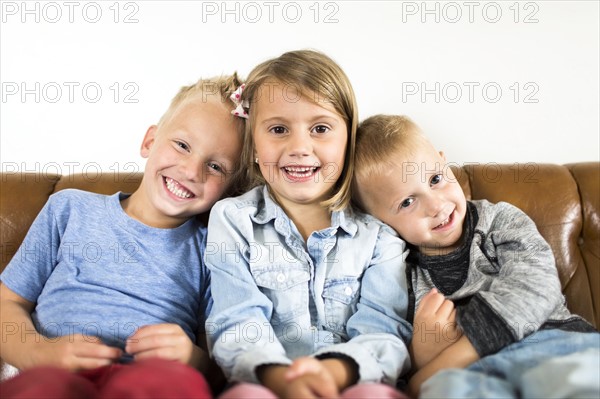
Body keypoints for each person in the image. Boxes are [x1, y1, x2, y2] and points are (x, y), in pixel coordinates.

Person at [0, 73, 247, 398]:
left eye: (215, 167)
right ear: (149, 141)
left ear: (230, 188)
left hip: (150, 379)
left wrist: (193, 359)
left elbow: (222, 363)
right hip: (54, 370)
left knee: (177, 385)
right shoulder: (69, 209)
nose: (191, 171)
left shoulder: (214, 248)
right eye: (183, 146)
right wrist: (36, 352)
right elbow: (8, 302)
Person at [204, 50, 412, 399]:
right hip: (266, 382)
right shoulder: (233, 219)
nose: (300, 147)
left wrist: (332, 373)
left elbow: (385, 330)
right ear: (253, 142)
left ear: (349, 138)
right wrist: (281, 378)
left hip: (352, 383)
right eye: (279, 129)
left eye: (320, 128)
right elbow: (236, 320)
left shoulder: (379, 234)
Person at [352, 114, 600, 398]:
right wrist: (420, 355)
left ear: (445, 163)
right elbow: (388, 349)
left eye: (435, 179)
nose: (436, 205)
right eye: (407, 202)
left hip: (552, 343)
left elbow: (535, 289)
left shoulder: (498, 221)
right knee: (448, 389)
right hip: (475, 374)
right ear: (378, 222)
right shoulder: (397, 272)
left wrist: (436, 366)